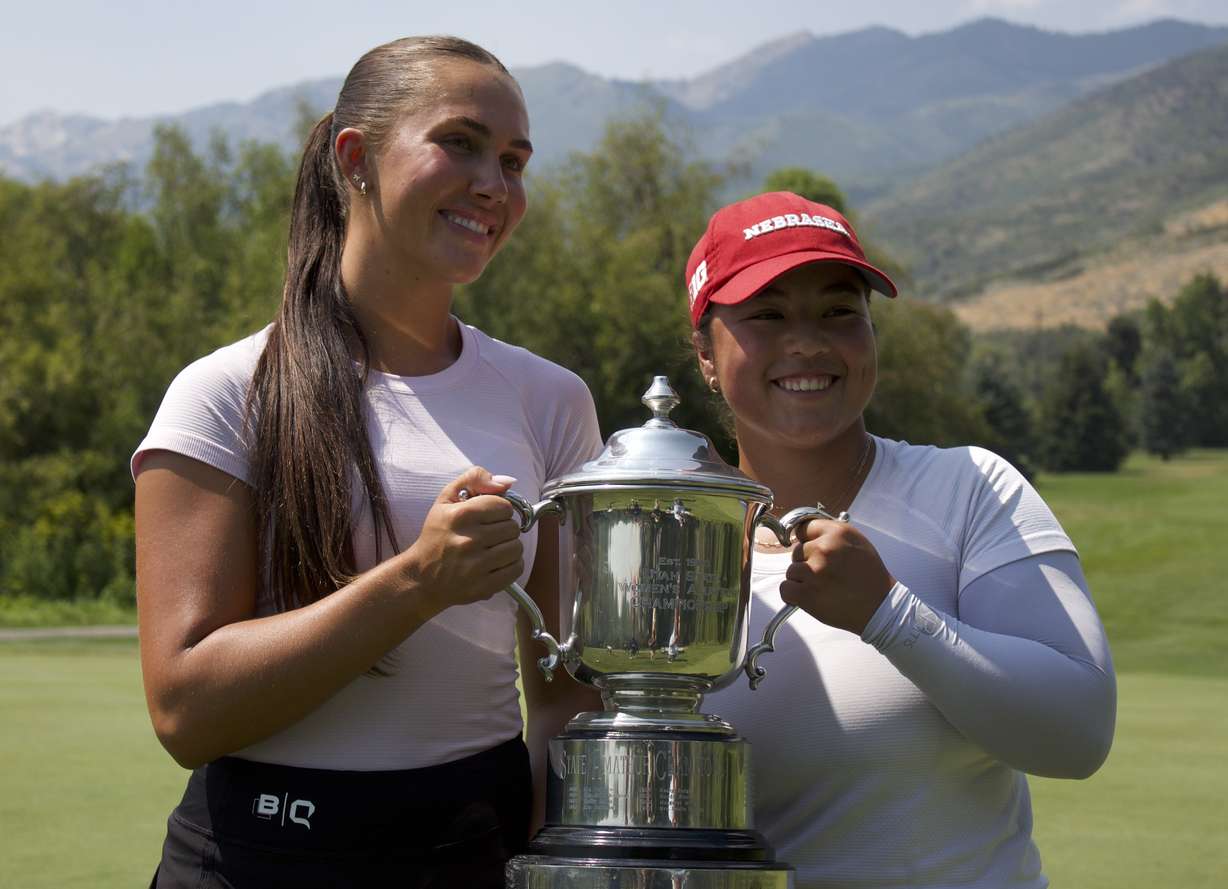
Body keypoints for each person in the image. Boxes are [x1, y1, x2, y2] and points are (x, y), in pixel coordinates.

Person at [132, 36, 601, 888]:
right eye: (458, 143)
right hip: (257, 856)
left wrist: (550, 853)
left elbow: (566, 694)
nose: (494, 184)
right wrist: (416, 581)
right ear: (356, 157)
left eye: (514, 160)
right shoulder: (224, 391)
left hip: (477, 853)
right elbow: (184, 710)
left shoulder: (552, 399)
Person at [687, 191, 1116, 888]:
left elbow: (1078, 732)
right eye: (767, 315)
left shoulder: (970, 487)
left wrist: (888, 612)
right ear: (706, 352)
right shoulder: (676, 544)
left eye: (839, 311)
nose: (808, 341)